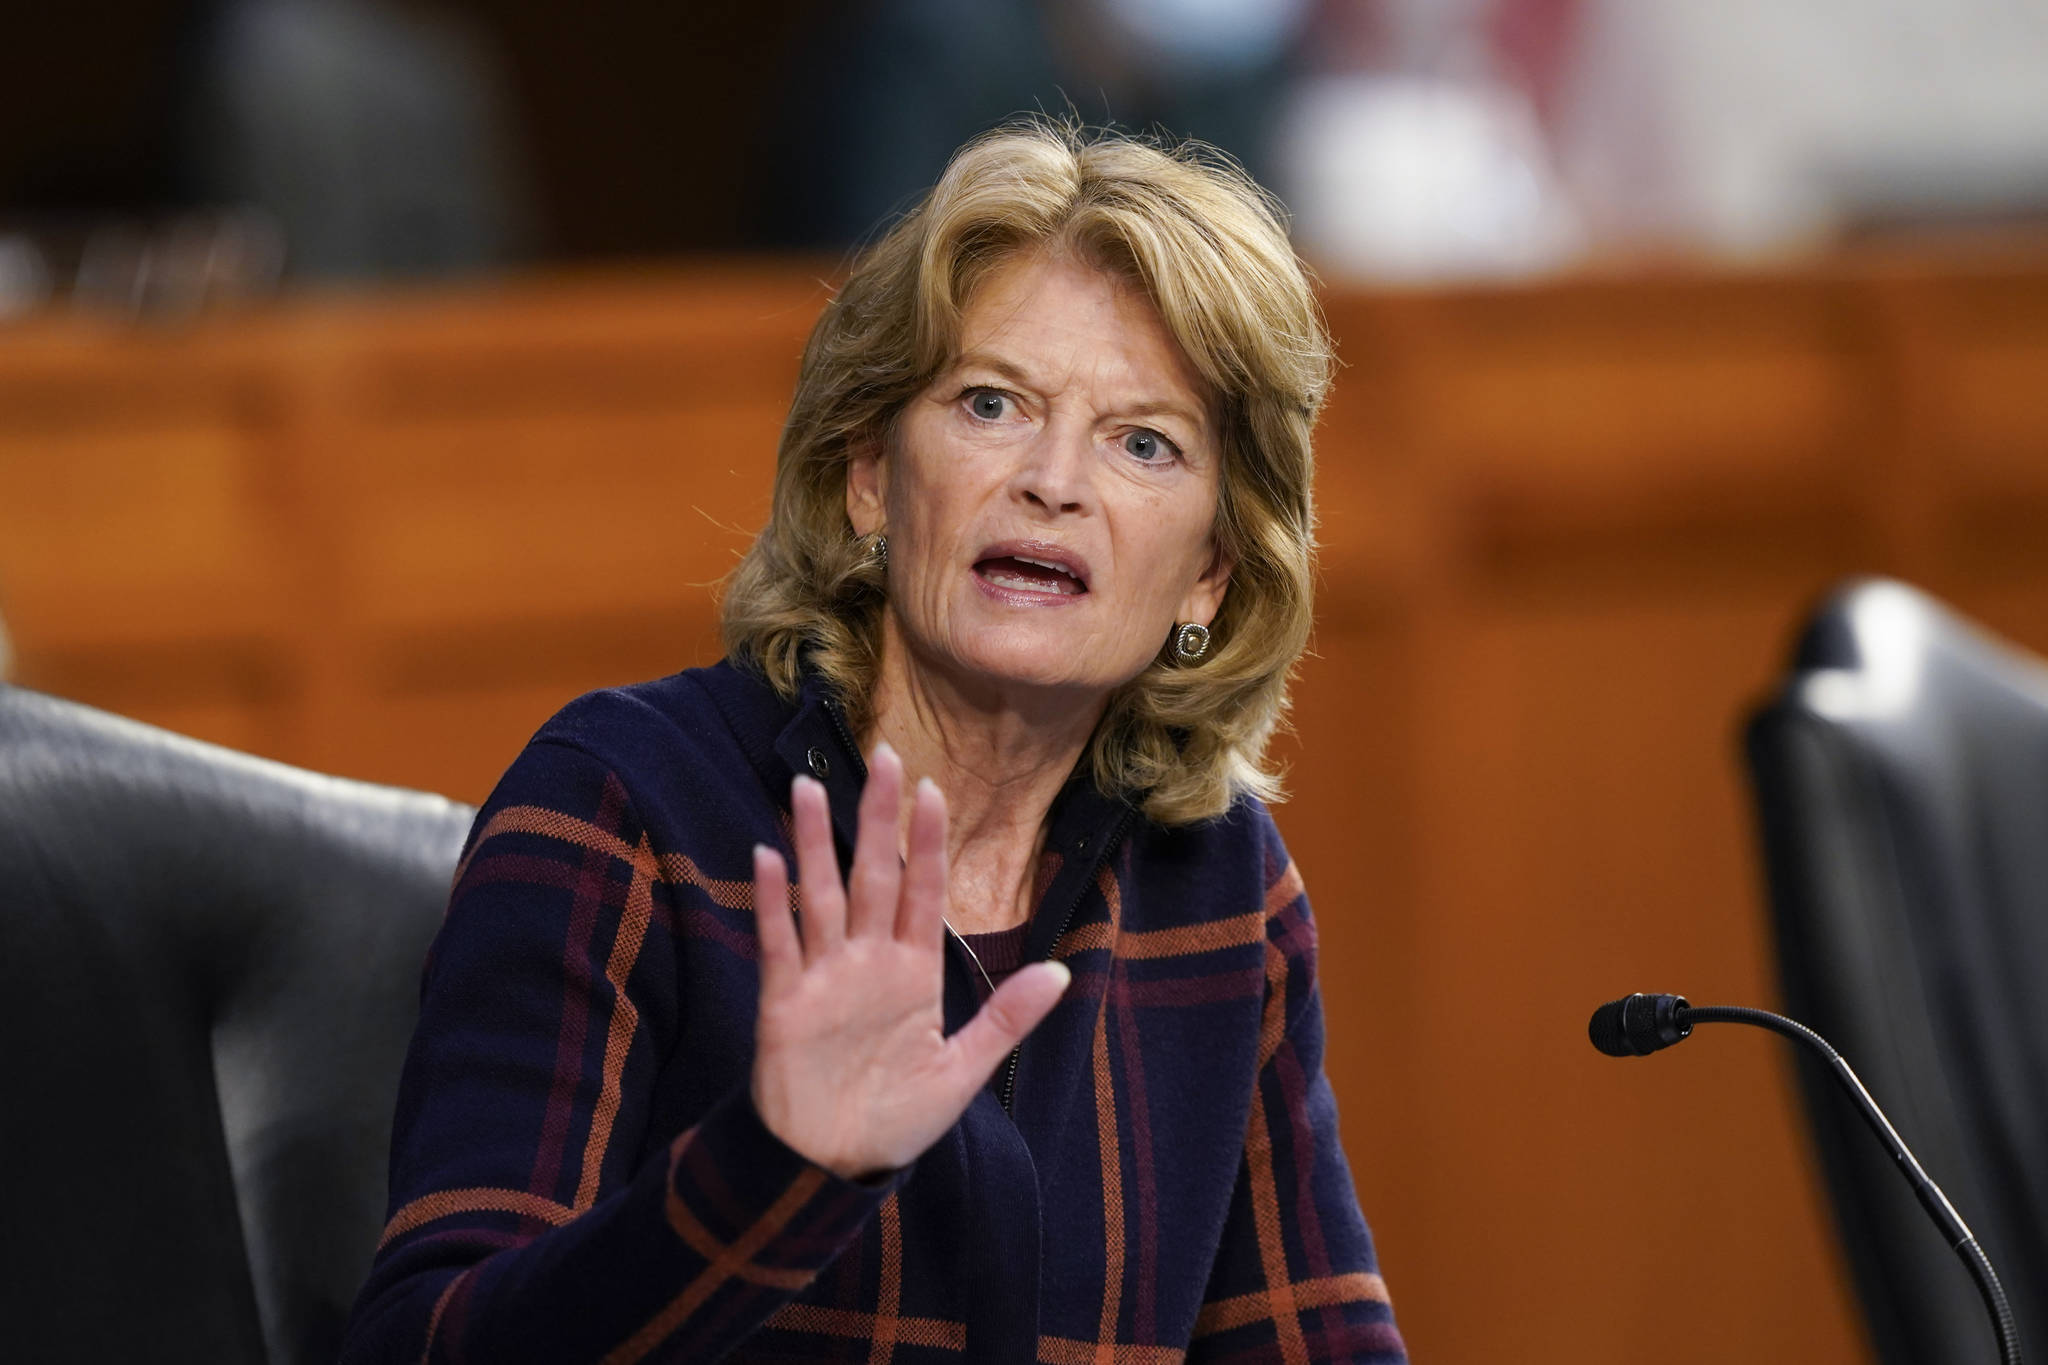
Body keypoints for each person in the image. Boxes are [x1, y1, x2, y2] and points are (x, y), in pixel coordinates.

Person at [341, 118, 1406, 1364]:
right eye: (991, 403)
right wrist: (771, 1173)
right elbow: (424, 1346)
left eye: (1141, 442)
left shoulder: (1218, 885)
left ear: (1210, 577)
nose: (1052, 480)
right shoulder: (623, 811)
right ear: (868, 478)